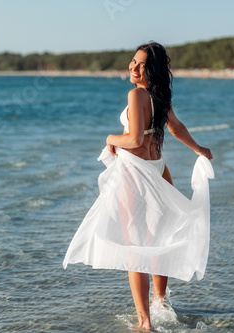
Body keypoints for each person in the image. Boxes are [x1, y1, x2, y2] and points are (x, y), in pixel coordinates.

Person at [63, 42, 213, 330]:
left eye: (141, 64)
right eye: (133, 61)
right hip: (158, 170)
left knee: (135, 247)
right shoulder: (160, 96)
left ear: (152, 70)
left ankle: (145, 322)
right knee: (160, 239)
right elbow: (175, 126)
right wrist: (199, 148)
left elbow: (134, 141)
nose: (134, 67)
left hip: (136, 174)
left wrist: (109, 139)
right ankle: (161, 302)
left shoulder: (136, 94)